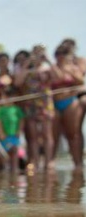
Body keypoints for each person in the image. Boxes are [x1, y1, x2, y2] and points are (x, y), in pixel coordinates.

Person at [14, 45, 55, 171]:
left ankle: (48, 162)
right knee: (33, 136)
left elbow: (58, 77)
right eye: (35, 53)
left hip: (45, 104)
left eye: (40, 53)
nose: (37, 56)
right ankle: (36, 162)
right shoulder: (26, 70)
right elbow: (17, 83)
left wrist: (48, 60)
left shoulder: (47, 68)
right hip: (30, 105)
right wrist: (27, 64)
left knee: (47, 134)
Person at [50, 43, 84, 172]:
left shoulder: (73, 67)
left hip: (70, 101)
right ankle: (51, 162)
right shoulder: (52, 68)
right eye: (58, 54)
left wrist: (68, 70)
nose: (60, 56)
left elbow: (80, 81)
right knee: (54, 135)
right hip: (55, 104)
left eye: (63, 54)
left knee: (73, 134)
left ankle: (78, 163)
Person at [0, 86, 25, 173]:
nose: (7, 99)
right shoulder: (0, 110)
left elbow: (21, 120)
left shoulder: (16, 109)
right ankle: (4, 168)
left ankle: (15, 168)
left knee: (14, 151)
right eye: (5, 97)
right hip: (4, 136)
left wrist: (19, 131)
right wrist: (1, 133)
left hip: (14, 135)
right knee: (3, 154)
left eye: (9, 97)